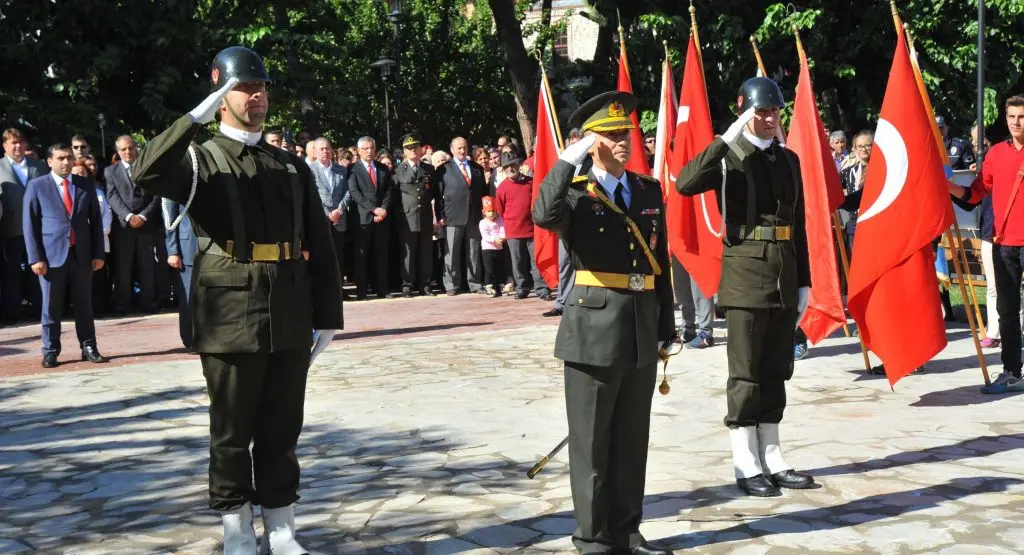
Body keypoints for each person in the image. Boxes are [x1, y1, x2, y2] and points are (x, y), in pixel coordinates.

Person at [130, 46, 343, 552]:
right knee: (231, 430)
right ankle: (236, 528)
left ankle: (282, 525)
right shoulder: (202, 161)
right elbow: (145, 171)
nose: (258, 96)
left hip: (289, 308)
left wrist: (328, 316)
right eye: (245, 88)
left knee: (281, 427)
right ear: (222, 96)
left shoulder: (289, 165)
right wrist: (195, 117)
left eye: (262, 87)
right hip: (228, 310)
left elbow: (320, 242)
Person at [533, 91, 675, 555]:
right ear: (591, 142)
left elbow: (660, 263)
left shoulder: (647, 189)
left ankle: (627, 531)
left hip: (640, 323)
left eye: (625, 134)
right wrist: (568, 157)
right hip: (593, 327)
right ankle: (592, 538)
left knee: (632, 441)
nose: (623, 142)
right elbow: (542, 214)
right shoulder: (574, 192)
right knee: (592, 443)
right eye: (611, 135)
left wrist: (666, 323)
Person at [676, 76, 815, 497]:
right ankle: (745, 460)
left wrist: (805, 280)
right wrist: (725, 138)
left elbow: (800, 223)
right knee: (746, 372)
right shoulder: (729, 158)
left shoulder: (788, 160)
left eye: (774, 111)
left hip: (784, 275)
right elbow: (685, 183)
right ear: (744, 113)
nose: (770, 118)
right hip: (744, 275)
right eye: (760, 112)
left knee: (776, 369)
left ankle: (772, 454)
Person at [950, 95, 1024, 394]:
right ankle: (1011, 371)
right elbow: (975, 195)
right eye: (1011, 117)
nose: (1016, 122)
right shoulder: (995, 154)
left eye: (1021, 116)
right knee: (1006, 311)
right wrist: (947, 185)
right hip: (1003, 243)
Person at [23, 144, 107, 368]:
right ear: (49, 161)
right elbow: (30, 225)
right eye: (60, 158)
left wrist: (98, 253)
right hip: (51, 257)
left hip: (81, 255)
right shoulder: (37, 186)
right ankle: (50, 350)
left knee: (84, 304)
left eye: (69, 158)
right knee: (50, 306)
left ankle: (88, 346)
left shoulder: (84, 185)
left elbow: (96, 223)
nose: (66, 162)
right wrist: (35, 258)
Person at [105, 135, 161, 314]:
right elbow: (112, 197)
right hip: (123, 227)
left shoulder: (148, 168)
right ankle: (122, 304)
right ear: (118, 152)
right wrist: (129, 216)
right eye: (123, 149)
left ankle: (149, 303)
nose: (128, 152)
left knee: (147, 267)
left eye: (130, 148)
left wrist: (143, 217)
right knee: (123, 268)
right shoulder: (110, 172)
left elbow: (156, 195)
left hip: (146, 226)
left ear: (136, 148)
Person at [1, 128, 48, 324]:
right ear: (4, 146)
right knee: (11, 274)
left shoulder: (39, 166)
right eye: (13, 143)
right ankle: (13, 313)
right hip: (10, 231)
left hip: (37, 232)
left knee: (38, 274)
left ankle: (40, 311)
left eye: (20, 142)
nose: (18, 146)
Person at [494, 151, 550, 300]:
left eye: (513, 165)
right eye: (507, 167)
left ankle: (542, 288)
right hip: (513, 230)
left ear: (519, 165)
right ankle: (522, 288)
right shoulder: (501, 188)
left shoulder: (531, 182)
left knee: (536, 260)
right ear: (503, 169)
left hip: (532, 229)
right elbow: (500, 209)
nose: (510, 168)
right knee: (517, 262)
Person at [436, 137, 486, 295]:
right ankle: (451, 284)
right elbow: (438, 195)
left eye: (464, 147)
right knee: (451, 252)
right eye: (459, 148)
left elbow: (483, 192)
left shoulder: (477, 168)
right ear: (452, 150)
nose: (462, 151)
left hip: (474, 215)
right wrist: (441, 215)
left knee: (473, 251)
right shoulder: (444, 169)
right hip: (452, 215)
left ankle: (475, 283)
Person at [348, 136, 396, 300]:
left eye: (372, 148)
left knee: (381, 254)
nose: (369, 151)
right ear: (359, 150)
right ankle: (362, 290)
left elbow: (389, 190)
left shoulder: (382, 168)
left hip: (382, 218)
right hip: (363, 218)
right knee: (362, 256)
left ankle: (382, 289)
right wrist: (373, 209)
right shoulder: (353, 169)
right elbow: (355, 193)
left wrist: (383, 210)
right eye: (366, 148)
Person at [394, 132, 437, 297]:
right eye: (409, 148)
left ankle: (425, 284)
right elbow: (395, 196)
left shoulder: (429, 169)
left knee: (426, 252)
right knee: (408, 253)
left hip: (425, 215)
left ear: (421, 149)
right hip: (406, 217)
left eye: (416, 147)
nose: (413, 150)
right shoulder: (398, 171)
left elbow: (434, 193)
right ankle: (407, 285)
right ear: (404, 150)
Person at [309, 137, 349, 291]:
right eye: (321, 149)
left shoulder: (341, 170)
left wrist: (339, 210)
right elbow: (312, 195)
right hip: (321, 219)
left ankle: (339, 289)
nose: (325, 151)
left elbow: (348, 191)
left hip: (339, 218)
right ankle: (324, 290)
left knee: (338, 255)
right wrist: (327, 213)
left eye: (327, 148)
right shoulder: (310, 170)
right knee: (322, 255)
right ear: (314, 152)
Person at [162, 196, 197, 351]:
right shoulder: (181, 177)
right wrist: (173, 250)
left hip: (211, 249)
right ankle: (190, 339)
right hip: (187, 247)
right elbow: (169, 215)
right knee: (188, 297)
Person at [479, 196, 505, 297]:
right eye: (489, 211)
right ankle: (488, 286)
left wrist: (502, 238)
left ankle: (497, 287)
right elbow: (485, 236)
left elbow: (503, 230)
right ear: (484, 211)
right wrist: (495, 239)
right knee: (490, 270)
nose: (491, 213)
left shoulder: (500, 220)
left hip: (498, 248)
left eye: (493, 211)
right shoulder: (483, 223)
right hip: (487, 249)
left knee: (498, 269)